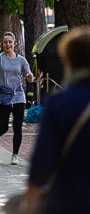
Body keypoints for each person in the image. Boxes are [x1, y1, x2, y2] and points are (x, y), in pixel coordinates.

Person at [17, 27, 90, 214]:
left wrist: (31, 199)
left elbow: (43, 158)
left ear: (68, 62)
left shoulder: (59, 104)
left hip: (70, 199)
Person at [0, 31, 34, 165]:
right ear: (2, 44)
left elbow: (28, 73)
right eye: (5, 42)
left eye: (10, 42)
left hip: (19, 95)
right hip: (4, 95)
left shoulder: (21, 59)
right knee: (3, 127)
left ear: (15, 43)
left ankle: (14, 155)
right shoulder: (0, 58)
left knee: (17, 127)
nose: (8, 44)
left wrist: (30, 76)